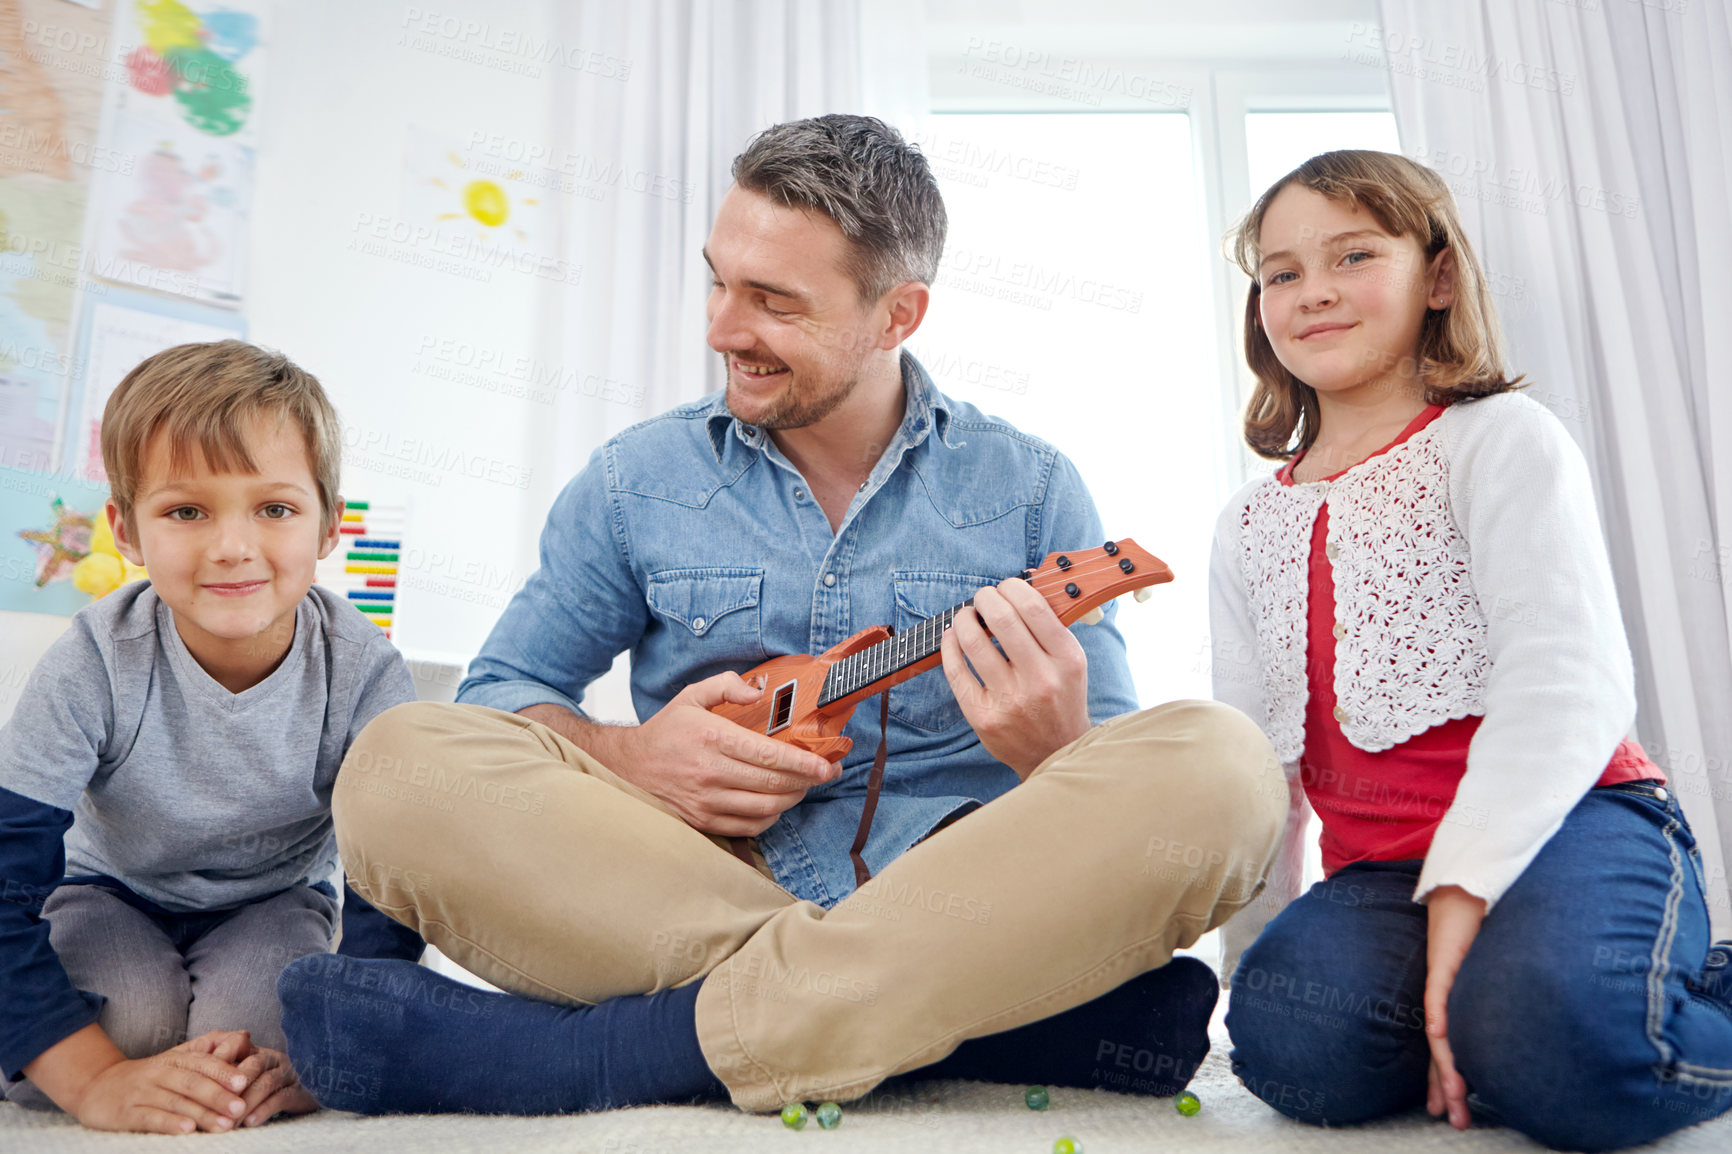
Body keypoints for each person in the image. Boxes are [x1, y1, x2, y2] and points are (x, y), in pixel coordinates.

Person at [277, 114, 1288, 1116]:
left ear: (897, 315)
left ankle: (592, 1055)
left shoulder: (1028, 486)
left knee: (1221, 766)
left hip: (963, 897)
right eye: (717, 280)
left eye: (771, 301)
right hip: (684, 887)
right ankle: (980, 1017)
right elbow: (504, 694)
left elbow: (1110, 774)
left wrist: (1051, 747)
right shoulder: (638, 480)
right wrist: (634, 758)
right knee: (399, 759)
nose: (721, 327)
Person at [1210, 149, 1732, 1152]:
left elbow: (1566, 678)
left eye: (1352, 255)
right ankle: (1495, 1018)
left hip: (1567, 826)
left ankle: (1636, 986)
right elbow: (1251, 764)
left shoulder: (1501, 439)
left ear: (1436, 276)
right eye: (1280, 272)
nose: (1311, 290)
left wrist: (1464, 886)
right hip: (1375, 873)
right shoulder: (1244, 523)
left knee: (1570, 1050)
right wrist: (1248, 951)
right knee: (1290, 1045)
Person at [0, 340, 417, 1134]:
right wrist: (95, 1083)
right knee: (130, 1028)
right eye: (186, 511)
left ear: (330, 524)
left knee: (260, 1048)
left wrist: (334, 1054)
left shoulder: (364, 673)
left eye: (276, 508)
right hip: (104, 894)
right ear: (127, 530)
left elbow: (391, 885)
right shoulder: (93, 660)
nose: (232, 546)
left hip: (272, 903)